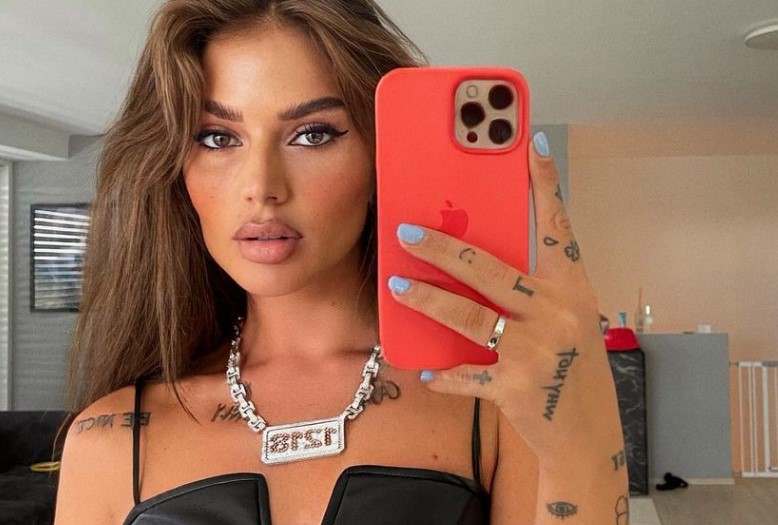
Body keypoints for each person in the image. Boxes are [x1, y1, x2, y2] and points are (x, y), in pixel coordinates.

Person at [54, 1, 628, 523]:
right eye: (217, 138)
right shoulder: (108, 439)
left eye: (313, 135)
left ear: (383, 159)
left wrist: (584, 423)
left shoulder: (497, 404)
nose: (261, 187)